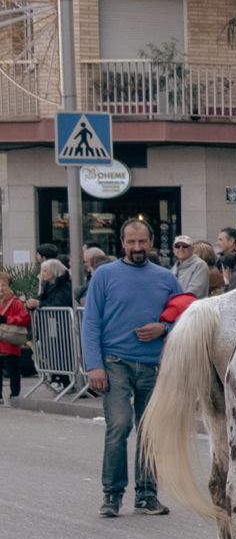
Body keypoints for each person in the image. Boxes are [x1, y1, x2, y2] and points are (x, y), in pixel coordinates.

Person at [81, 218, 184, 517]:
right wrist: (94, 366)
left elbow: (186, 316)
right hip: (115, 364)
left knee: (150, 432)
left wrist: (163, 329)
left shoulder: (167, 278)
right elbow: (91, 323)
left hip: (154, 367)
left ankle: (147, 495)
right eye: (131, 242)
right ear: (122, 243)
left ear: (151, 242)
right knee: (120, 425)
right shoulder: (103, 275)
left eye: (142, 242)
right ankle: (112, 495)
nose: (137, 248)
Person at [0, 284, 28, 404]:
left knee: (13, 370)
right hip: (3, 342)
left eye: (3, 285)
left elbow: (25, 319)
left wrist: (7, 320)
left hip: (10, 343)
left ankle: (14, 394)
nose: (1, 289)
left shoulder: (16, 303)